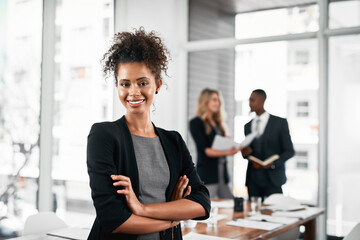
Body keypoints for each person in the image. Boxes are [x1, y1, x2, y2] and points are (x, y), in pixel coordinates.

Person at [86, 28, 210, 240]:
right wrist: (173, 214)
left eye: (142, 83)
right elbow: (113, 220)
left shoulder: (174, 141)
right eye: (125, 84)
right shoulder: (103, 135)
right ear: (117, 86)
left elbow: (202, 203)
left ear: (158, 85)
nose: (133, 91)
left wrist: (142, 209)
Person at [241, 89, 295, 201]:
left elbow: (289, 151)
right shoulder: (247, 126)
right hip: (253, 179)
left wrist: (273, 163)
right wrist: (245, 153)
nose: (250, 103)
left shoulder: (279, 123)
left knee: (275, 212)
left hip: (273, 178)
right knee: (253, 213)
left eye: (252, 100)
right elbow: (247, 152)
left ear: (262, 100)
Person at [189, 88, 241, 199]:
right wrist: (227, 151)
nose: (218, 103)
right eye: (214, 99)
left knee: (231, 203)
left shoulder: (219, 124)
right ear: (205, 101)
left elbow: (220, 145)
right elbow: (205, 150)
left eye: (218, 100)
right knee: (207, 205)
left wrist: (230, 145)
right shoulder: (196, 123)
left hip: (222, 174)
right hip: (208, 174)